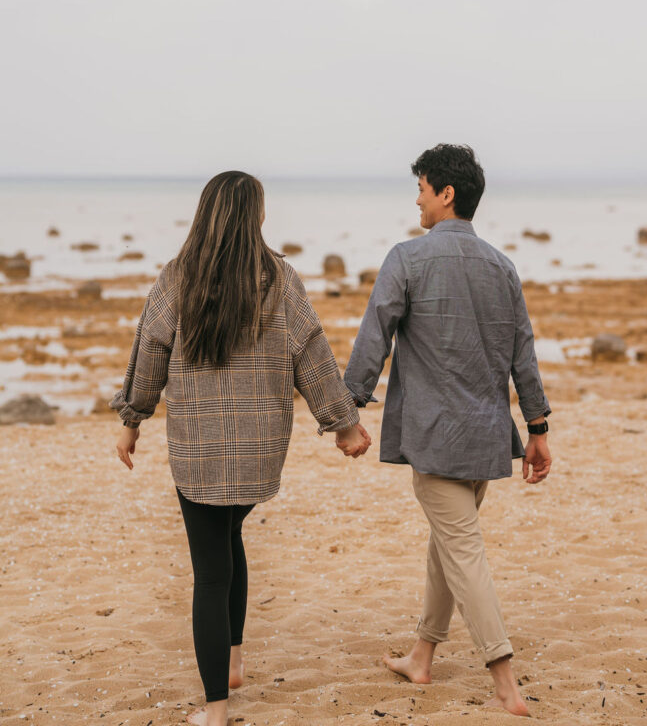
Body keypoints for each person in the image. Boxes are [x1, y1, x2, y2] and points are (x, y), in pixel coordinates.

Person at [110, 171, 371, 726]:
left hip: (198, 451)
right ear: (252, 217)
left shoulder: (177, 278)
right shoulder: (279, 277)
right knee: (230, 537)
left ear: (205, 214)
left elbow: (149, 352)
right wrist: (343, 424)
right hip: (259, 448)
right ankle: (232, 661)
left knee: (210, 568)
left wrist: (132, 420)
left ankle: (216, 710)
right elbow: (312, 353)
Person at [343, 144, 552, 718]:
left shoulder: (406, 259)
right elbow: (523, 355)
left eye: (421, 187)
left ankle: (505, 681)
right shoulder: (501, 267)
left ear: (446, 193)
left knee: (461, 549)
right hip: (487, 438)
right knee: (449, 544)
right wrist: (536, 427)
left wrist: (347, 409)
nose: (416, 198)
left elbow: (372, 339)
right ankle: (421, 655)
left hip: (435, 440)